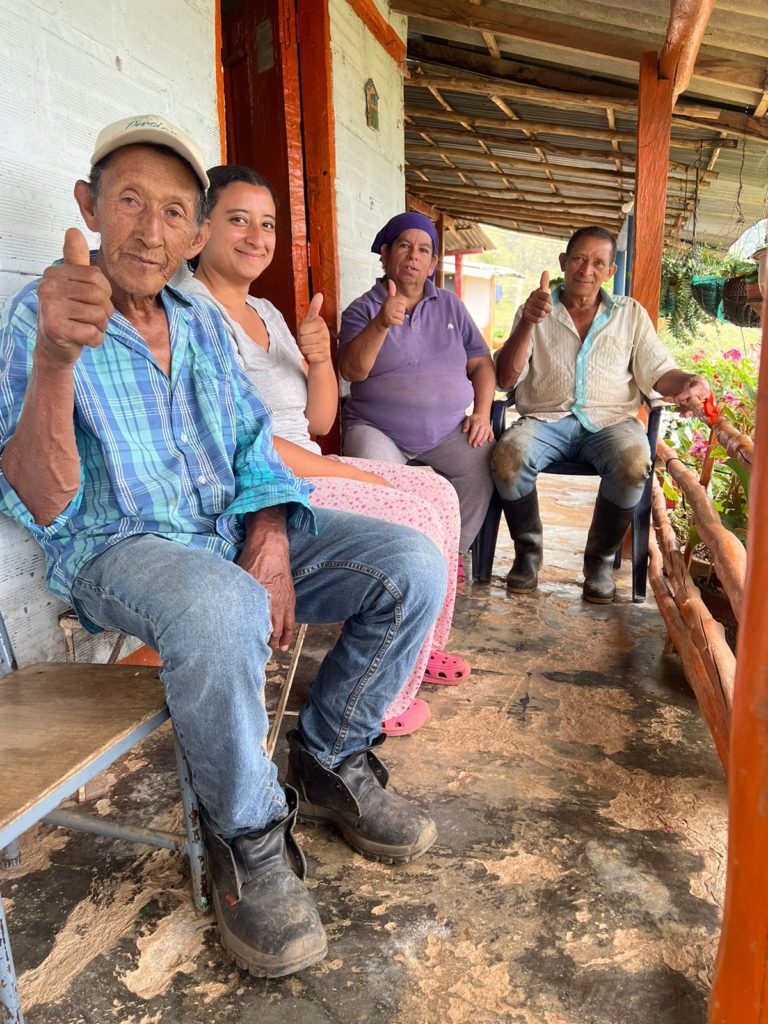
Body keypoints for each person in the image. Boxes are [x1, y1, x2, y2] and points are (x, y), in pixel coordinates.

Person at [0, 114, 448, 980]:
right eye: (129, 200)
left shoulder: (199, 322)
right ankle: (246, 831)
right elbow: (42, 493)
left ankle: (329, 754)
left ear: (194, 234)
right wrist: (57, 356)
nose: (151, 227)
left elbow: (252, 450)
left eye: (175, 211)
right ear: (90, 207)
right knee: (221, 602)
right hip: (117, 546)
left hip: (224, 526)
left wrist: (272, 536)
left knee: (409, 564)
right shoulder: (45, 310)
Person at [182, 165, 470, 738]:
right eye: (238, 220)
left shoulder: (264, 312)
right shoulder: (193, 314)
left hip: (307, 459)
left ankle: (413, 655)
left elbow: (318, 419)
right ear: (200, 229)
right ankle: (383, 697)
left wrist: (317, 360)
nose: (256, 237)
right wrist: (358, 479)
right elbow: (247, 444)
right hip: (265, 479)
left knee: (438, 492)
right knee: (408, 514)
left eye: (266, 224)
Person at [492, 225, 710, 604]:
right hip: (547, 420)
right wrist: (528, 321)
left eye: (598, 263)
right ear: (564, 262)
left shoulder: (630, 315)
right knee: (508, 458)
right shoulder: (536, 310)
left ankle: (600, 563)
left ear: (610, 271)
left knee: (633, 464)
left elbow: (658, 372)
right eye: (578, 258)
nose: (586, 270)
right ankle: (528, 553)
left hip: (611, 423)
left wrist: (689, 380)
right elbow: (505, 378)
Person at [337, 212, 497, 578]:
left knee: (484, 460)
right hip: (379, 428)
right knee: (373, 480)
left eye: (423, 250)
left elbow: (481, 364)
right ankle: (388, 562)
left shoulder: (451, 305)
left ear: (432, 264)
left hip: (447, 430)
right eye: (405, 246)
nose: (413, 256)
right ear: (385, 253)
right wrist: (381, 323)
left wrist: (483, 413)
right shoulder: (362, 309)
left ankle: (450, 554)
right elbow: (352, 370)